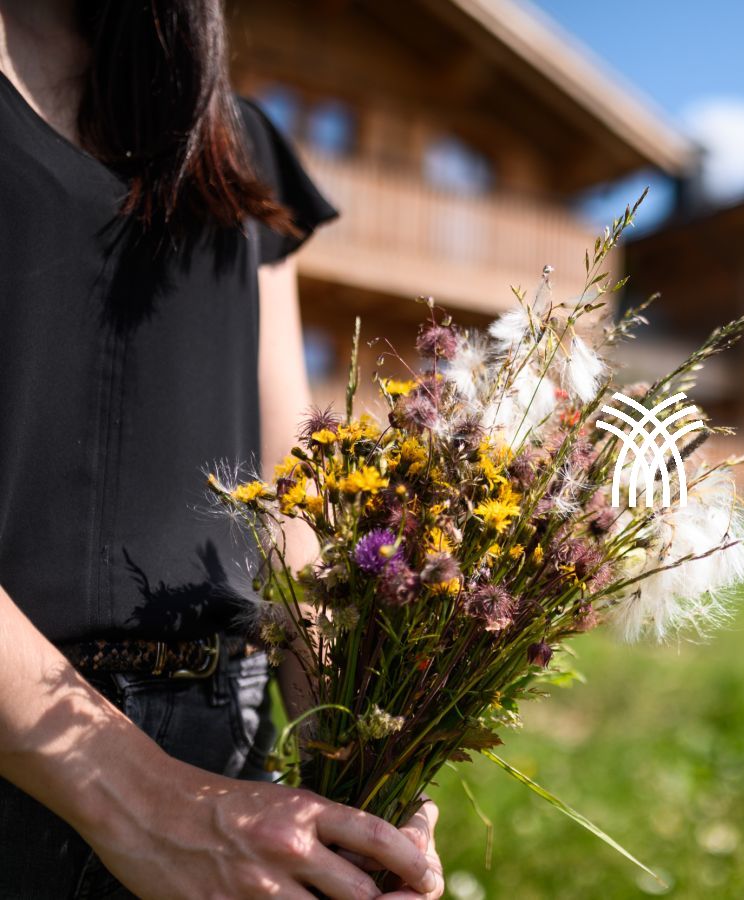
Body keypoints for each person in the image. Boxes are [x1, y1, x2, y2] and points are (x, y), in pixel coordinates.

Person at [0, 1, 444, 896]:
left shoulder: (239, 145)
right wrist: (147, 805)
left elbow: (290, 495)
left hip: (233, 759)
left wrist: (352, 747)